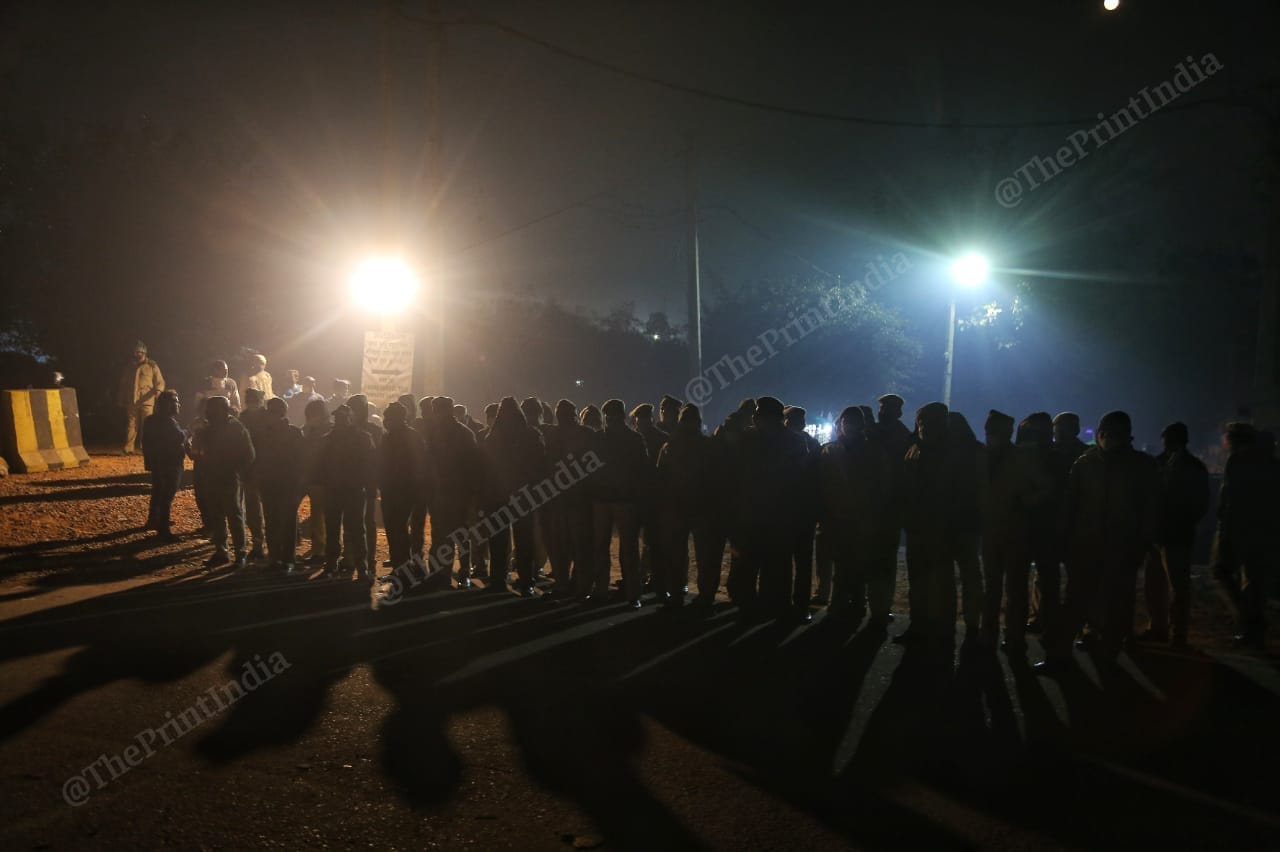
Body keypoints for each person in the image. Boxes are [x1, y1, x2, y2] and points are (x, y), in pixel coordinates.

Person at [1036, 411, 1159, 673]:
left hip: (1121, 549)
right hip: (1086, 546)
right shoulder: (1085, 464)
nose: (1107, 438)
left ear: (1126, 436)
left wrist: (1141, 545)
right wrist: (1064, 540)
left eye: (1113, 434)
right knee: (1075, 602)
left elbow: (1150, 510)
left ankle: (1107, 658)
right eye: (1105, 433)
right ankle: (1060, 656)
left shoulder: (1141, 467)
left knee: (1117, 605)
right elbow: (1070, 507)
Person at [735, 397, 809, 620]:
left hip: (762, 516)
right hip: (775, 517)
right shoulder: (794, 442)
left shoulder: (748, 439)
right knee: (774, 568)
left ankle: (754, 609)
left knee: (757, 566)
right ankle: (773, 608)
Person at [1140, 422, 1210, 648]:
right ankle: (1167, 630)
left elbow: (1198, 503)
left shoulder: (1166, 464)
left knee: (1170, 586)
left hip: (1170, 533)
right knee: (1164, 585)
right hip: (1168, 533)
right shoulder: (1188, 465)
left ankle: (1171, 631)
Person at [819, 406, 890, 627]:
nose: (848, 426)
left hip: (861, 517)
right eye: (845, 422)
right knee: (842, 564)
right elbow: (821, 484)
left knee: (856, 564)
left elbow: (880, 485)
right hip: (838, 517)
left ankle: (852, 604)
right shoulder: (830, 450)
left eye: (852, 422)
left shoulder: (872, 451)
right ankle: (844, 605)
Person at [1212, 422, 1278, 649]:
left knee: (1221, 571)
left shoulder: (1238, 461)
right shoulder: (1269, 462)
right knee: (1254, 579)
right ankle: (1254, 627)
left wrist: (1226, 530)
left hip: (1239, 529)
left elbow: (1231, 500)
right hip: (1264, 529)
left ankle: (1250, 621)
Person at [656, 403, 725, 610]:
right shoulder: (709, 446)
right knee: (705, 557)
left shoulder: (669, 447)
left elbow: (660, 478)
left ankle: (676, 594)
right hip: (702, 508)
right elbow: (717, 479)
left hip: (676, 508)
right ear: (698, 423)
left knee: (676, 555)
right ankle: (706, 596)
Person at [481, 397, 548, 595]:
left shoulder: (492, 438)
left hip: (497, 495)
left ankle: (498, 580)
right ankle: (526, 580)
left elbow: (485, 470)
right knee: (524, 539)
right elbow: (540, 466)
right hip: (523, 494)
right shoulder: (531, 435)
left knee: (498, 541)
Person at [588, 399, 648, 606]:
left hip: (607, 500)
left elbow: (590, 468)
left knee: (603, 547)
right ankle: (632, 594)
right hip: (623, 500)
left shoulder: (600, 438)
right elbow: (642, 471)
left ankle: (602, 590)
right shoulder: (634, 439)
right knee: (628, 549)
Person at [187, 395, 254, 569]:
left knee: (234, 516)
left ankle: (240, 553)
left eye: (211, 410)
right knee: (217, 516)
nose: (208, 413)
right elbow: (198, 454)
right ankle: (222, 551)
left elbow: (249, 455)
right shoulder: (208, 429)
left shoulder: (236, 428)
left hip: (228, 478)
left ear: (223, 410)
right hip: (212, 478)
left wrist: (236, 471)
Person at [428, 396, 484, 589]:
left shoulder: (434, 433)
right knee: (461, 535)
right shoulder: (464, 433)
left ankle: (442, 574)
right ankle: (463, 573)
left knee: (441, 535)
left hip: (444, 493)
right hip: (459, 493)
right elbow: (475, 465)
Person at [541, 399, 596, 595]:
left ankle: (562, 584)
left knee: (560, 547)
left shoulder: (551, 435)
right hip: (580, 498)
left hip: (558, 497)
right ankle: (582, 586)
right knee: (581, 546)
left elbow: (546, 466)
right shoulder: (587, 434)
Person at [321, 404, 376, 580]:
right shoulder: (330, 439)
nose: (339, 420)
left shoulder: (362, 438)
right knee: (335, 529)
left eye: (342, 417)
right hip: (337, 490)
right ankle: (336, 564)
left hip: (352, 490)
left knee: (355, 530)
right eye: (338, 417)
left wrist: (370, 488)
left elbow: (370, 466)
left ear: (350, 418)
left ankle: (360, 566)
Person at [255, 397, 305, 574]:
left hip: (285, 484)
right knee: (272, 521)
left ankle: (286, 558)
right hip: (271, 484)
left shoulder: (292, 433)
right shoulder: (267, 433)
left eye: (269, 412)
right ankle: (276, 557)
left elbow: (301, 462)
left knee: (285, 522)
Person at [380, 402, 431, 572]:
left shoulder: (410, 437)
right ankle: (399, 565)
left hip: (404, 491)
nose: (385, 420)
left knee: (398, 529)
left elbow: (419, 465)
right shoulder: (389, 436)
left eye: (387, 417)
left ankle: (401, 566)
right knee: (393, 528)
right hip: (392, 490)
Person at [785, 406, 822, 615]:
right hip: (798, 511)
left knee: (793, 561)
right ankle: (799, 604)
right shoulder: (812, 444)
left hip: (794, 511)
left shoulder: (808, 444)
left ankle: (794, 603)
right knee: (801, 562)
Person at [348, 394, 385, 575]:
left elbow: (379, 458)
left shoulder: (372, 431)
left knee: (366, 522)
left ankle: (367, 560)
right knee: (353, 522)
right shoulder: (351, 430)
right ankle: (354, 558)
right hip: (354, 483)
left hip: (365, 483)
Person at [142, 390, 186, 541]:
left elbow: (146, 444)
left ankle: (154, 519)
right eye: (175, 401)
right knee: (167, 495)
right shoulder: (168, 422)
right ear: (167, 405)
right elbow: (179, 437)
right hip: (170, 464)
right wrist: (191, 431)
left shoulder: (150, 420)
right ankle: (164, 529)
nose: (178, 404)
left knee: (157, 492)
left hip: (157, 463)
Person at [117, 341, 165, 455]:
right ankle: (128, 448)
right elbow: (123, 384)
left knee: (147, 425)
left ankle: (146, 448)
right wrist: (121, 398)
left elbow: (160, 381)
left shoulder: (152, 366)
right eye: (136, 352)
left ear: (145, 353)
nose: (137, 354)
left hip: (147, 401)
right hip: (132, 400)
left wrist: (158, 392)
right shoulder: (130, 367)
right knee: (131, 425)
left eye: (140, 352)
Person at [238, 388, 270, 560]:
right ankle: (258, 543)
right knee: (253, 509)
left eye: (255, 399)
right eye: (249, 399)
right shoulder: (243, 418)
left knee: (271, 508)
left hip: (267, 470)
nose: (252, 403)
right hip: (250, 471)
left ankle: (274, 544)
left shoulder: (269, 417)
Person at [300, 399, 332, 566]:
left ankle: (321, 551)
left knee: (321, 516)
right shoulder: (315, 430)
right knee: (321, 516)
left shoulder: (326, 431)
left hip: (322, 479)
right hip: (316, 478)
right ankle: (322, 549)